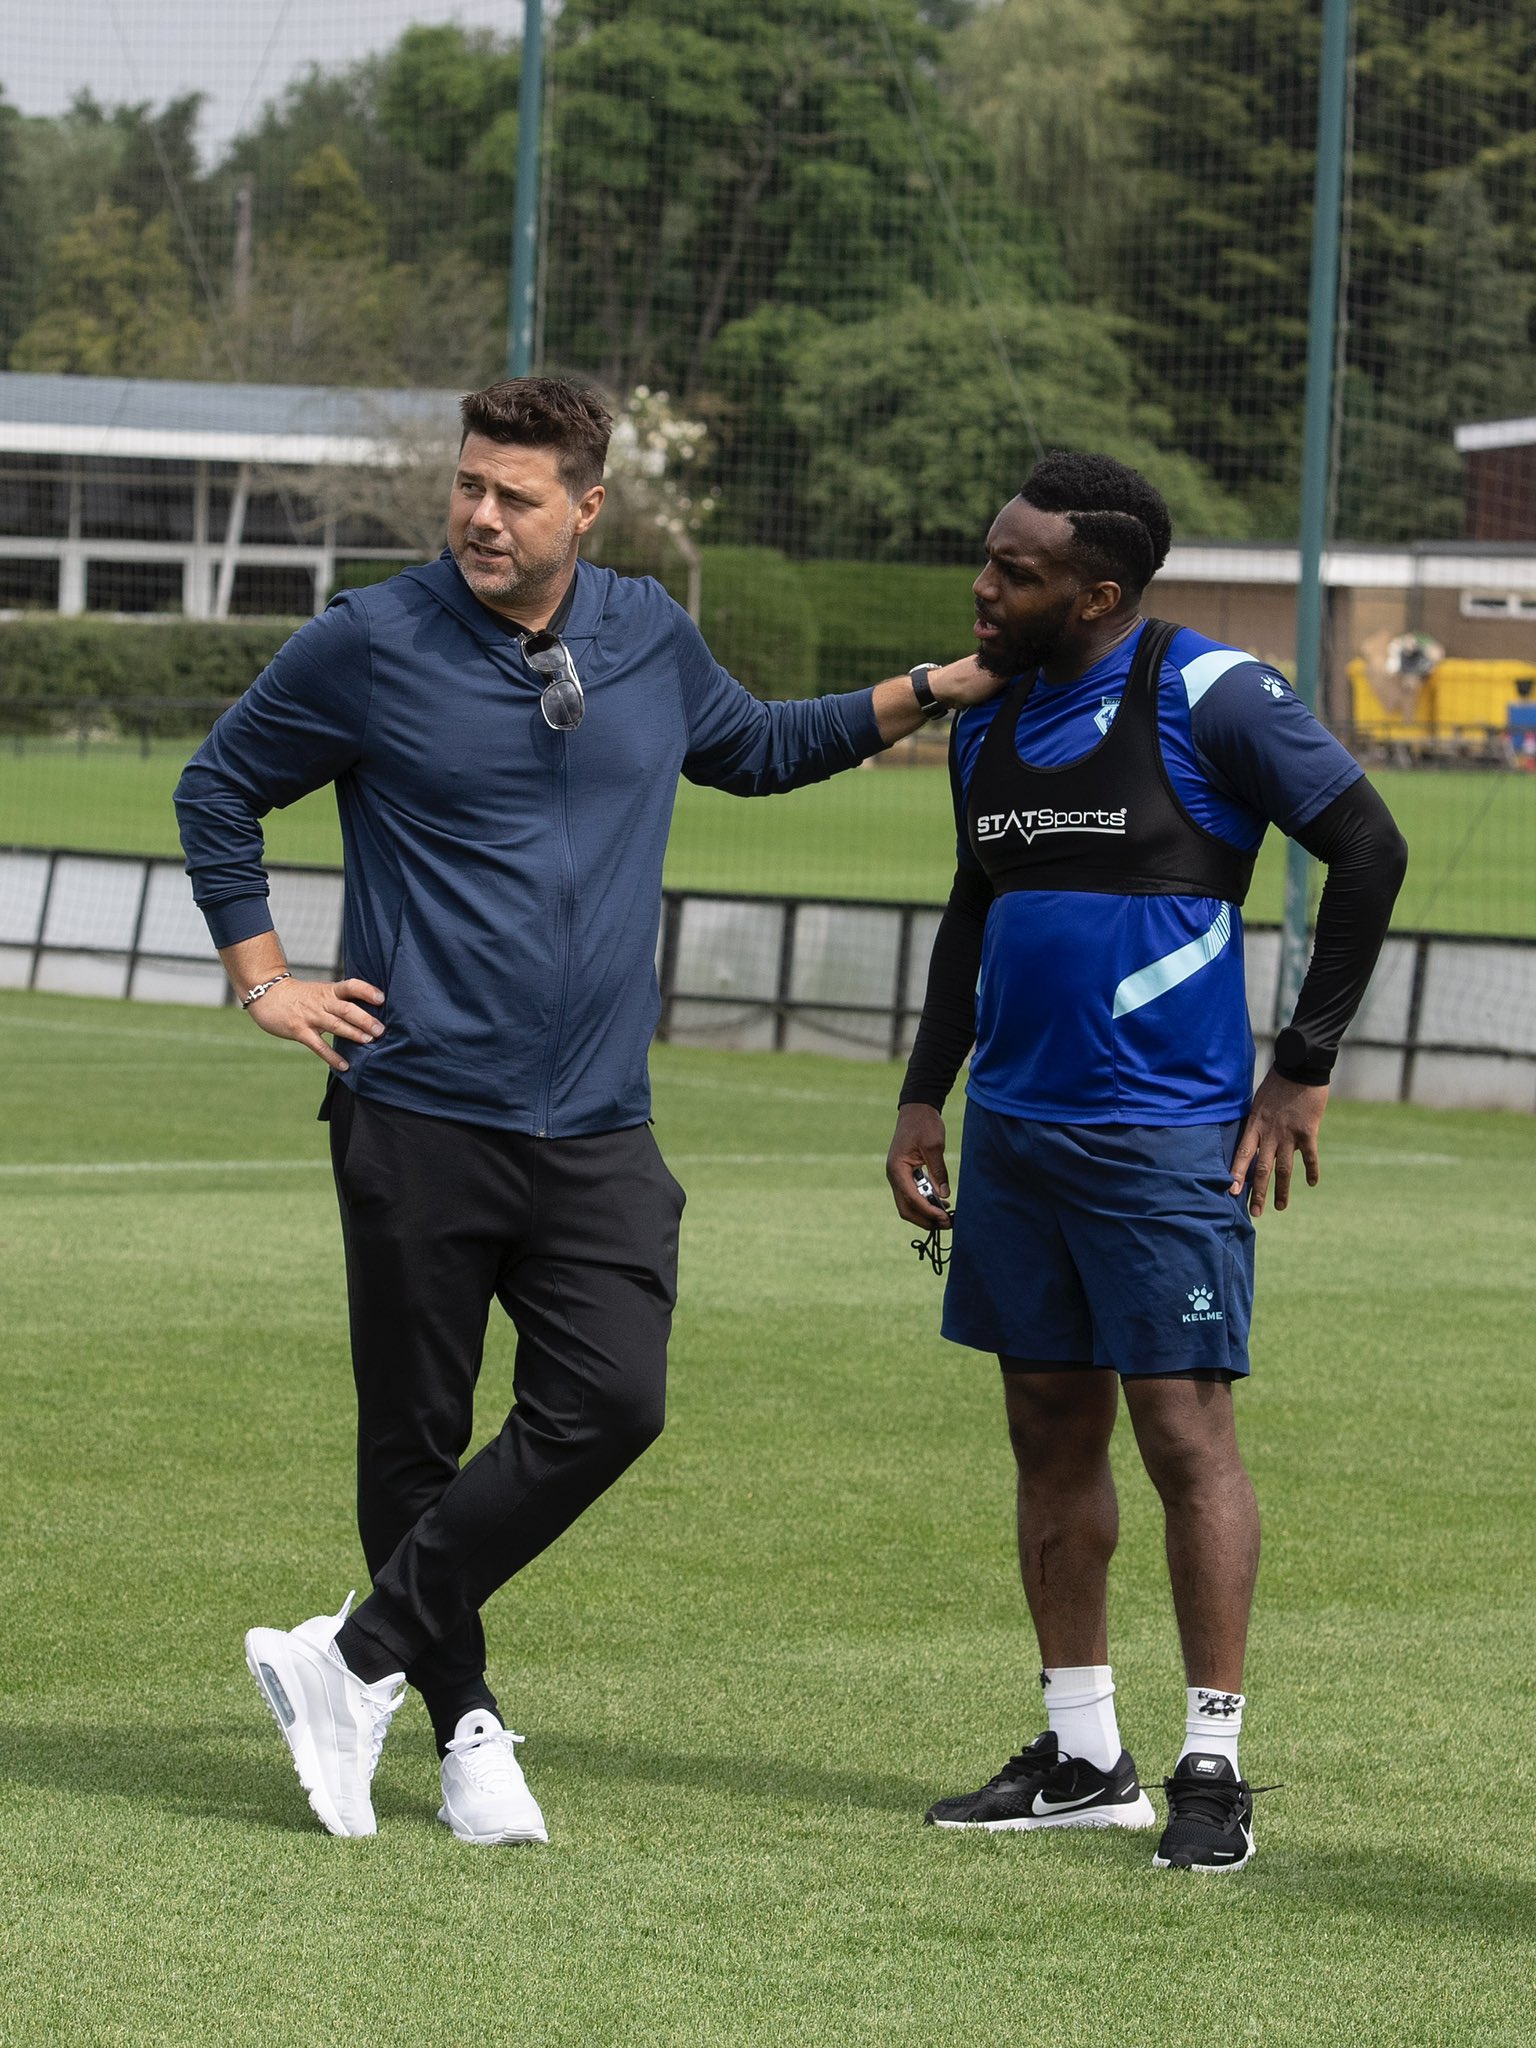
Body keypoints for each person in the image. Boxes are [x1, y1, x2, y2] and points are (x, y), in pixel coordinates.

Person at [175, 376, 1000, 1844]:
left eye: (516, 495)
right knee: (415, 1440)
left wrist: (936, 686)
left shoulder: (645, 632)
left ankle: (349, 1656)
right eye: (469, 487)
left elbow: (756, 747)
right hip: (418, 1109)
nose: (482, 516)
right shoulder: (369, 641)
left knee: (615, 1402)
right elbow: (219, 788)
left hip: (602, 1125)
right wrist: (266, 982)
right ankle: (464, 1729)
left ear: (589, 508)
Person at [885, 452, 1406, 1873]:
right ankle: (1082, 1753)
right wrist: (926, 1099)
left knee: (1184, 1436)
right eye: (988, 560)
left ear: (1098, 591)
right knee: (1047, 1434)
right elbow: (971, 913)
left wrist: (1300, 1063)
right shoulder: (985, 723)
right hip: (1018, 1144)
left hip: (1164, 1144)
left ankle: (1213, 1763)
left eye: (1017, 573)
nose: (984, 591)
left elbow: (1367, 847)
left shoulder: (1208, 691)